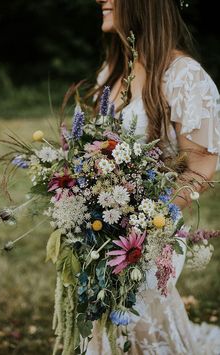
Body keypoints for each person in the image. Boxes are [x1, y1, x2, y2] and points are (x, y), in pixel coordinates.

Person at [83, 0, 220, 354]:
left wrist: (149, 222)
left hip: (150, 237)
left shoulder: (184, 76)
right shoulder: (112, 71)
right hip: (100, 229)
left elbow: (201, 163)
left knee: (143, 328)